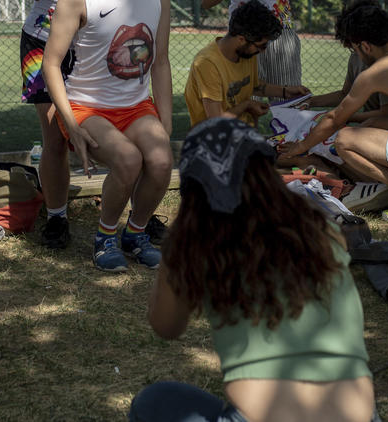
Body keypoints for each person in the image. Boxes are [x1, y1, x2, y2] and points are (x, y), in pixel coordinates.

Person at [129, 117, 375, 422]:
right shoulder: (322, 229)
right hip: (357, 415)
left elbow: (166, 326)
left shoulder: (196, 246)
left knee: (153, 402)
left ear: (193, 189)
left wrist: (174, 249)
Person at [21, 0, 144, 251]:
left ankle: (131, 217)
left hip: (98, 42)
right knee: (56, 137)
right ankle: (56, 217)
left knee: (122, 125)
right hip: (44, 44)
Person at [42, 0, 172, 272]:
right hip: (88, 108)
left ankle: (136, 233)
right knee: (129, 161)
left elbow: (160, 62)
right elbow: (50, 65)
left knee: (161, 161)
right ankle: (105, 237)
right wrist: (71, 124)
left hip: (136, 105)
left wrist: (166, 121)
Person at [277, 1, 388, 225]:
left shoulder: (377, 72)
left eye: (354, 49)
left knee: (345, 139)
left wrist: (300, 147)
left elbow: (335, 119)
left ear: (364, 46)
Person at [183, 0, 308, 128]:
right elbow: (215, 121)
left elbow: (252, 85)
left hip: (244, 135)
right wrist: (247, 105)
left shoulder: (246, 52)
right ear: (241, 39)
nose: (263, 51)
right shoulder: (207, 63)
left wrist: (285, 91)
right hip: (216, 141)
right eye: (261, 46)